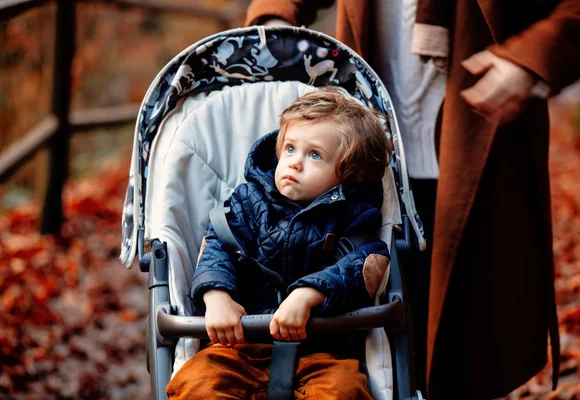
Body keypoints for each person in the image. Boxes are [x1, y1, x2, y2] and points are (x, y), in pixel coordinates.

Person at [245, 1, 580, 399]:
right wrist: (274, 17)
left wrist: (532, 57)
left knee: (463, 337)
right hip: (362, 150)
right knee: (371, 340)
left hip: (478, 140)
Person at [166, 88, 393, 399]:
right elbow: (218, 246)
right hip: (238, 346)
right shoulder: (247, 203)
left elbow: (365, 262)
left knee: (344, 391)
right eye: (289, 149)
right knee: (198, 385)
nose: (295, 163)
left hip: (321, 351)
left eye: (315, 155)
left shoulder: (354, 217)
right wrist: (217, 296)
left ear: (349, 174)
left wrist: (310, 293)